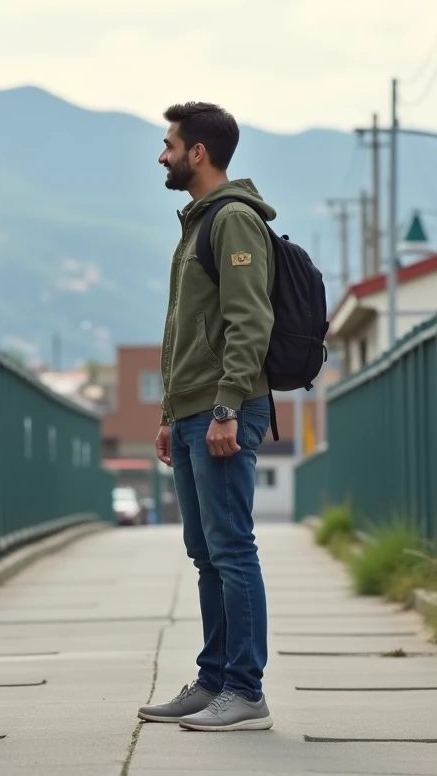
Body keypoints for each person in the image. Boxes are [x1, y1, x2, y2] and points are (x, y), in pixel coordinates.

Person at [137, 102, 276, 732]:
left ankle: (245, 690)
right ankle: (215, 678)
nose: (161, 155)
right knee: (205, 552)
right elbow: (186, 333)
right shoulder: (195, 225)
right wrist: (170, 413)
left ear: (198, 152)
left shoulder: (233, 221)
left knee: (231, 548)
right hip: (192, 412)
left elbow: (251, 323)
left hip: (224, 410)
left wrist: (225, 406)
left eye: (168, 144)